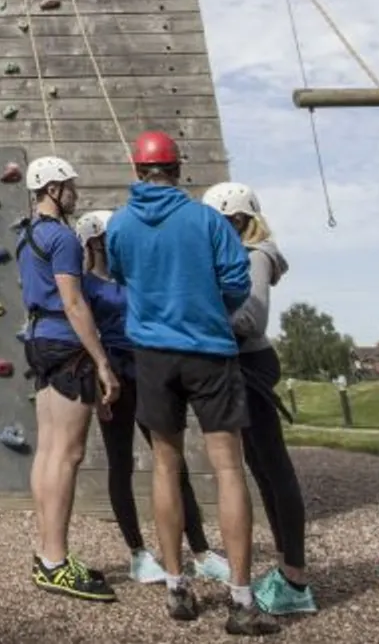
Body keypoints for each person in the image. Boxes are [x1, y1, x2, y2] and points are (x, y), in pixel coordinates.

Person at [104, 132, 279, 637]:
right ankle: (241, 600)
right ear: (177, 170)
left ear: (137, 171)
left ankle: (177, 587)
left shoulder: (120, 224)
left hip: (153, 356)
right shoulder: (205, 218)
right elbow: (236, 281)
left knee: (164, 465)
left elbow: (119, 272)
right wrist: (208, 310)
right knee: (228, 469)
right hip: (210, 351)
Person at [73, 209, 230, 588]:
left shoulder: (137, 276)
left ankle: (201, 552)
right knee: (120, 463)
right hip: (113, 375)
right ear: (95, 241)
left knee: (171, 460)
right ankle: (138, 554)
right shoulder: (86, 286)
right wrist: (99, 375)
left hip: (149, 371)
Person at [203, 182, 317, 617]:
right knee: (261, 469)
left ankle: (295, 578)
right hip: (240, 365)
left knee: (275, 467)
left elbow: (250, 318)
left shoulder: (256, 256)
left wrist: (197, 311)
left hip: (251, 363)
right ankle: (290, 569)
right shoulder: (238, 254)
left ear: (235, 220)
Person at [14, 154, 122, 602]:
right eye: (70, 186)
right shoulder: (61, 238)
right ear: (53, 189)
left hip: (38, 339)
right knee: (69, 454)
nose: (75, 193)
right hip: (65, 342)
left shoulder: (25, 236)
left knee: (48, 451)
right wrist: (101, 360)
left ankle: (47, 552)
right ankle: (56, 561)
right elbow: (75, 303)